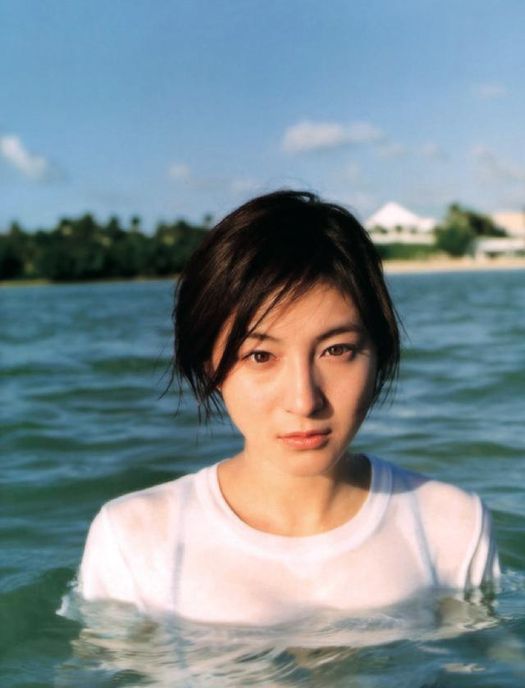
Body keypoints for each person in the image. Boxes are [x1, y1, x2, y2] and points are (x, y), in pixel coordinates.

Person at [79, 190, 499, 625]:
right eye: (260, 356)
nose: (304, 400)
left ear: (379, 351)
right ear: (209, 366)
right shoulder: (134, 540)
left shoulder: (453, 526)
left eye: (336, 350)